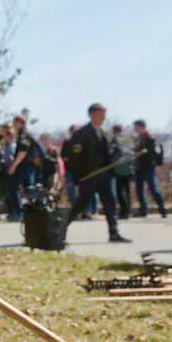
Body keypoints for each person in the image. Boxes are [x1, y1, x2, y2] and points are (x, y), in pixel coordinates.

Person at [62, 103, 130, 242]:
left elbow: (108, 153)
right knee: (81, 203)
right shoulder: (82, 134)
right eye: (101, 115)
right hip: (89, 176)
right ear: (92, 114)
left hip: (104, 175)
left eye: (104, 115)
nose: (104, 118)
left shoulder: (103, 133)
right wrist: (77, 175)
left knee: (110, 203)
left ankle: (114, 233)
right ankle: (60, 228)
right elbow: (72, 157)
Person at [132, 119, 167, 218]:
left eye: (136, 127)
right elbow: (137, 150)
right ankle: (143, 211)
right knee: (139, 190)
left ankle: (162, 210)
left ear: (141, 126)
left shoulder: (150, 137)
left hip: (148, 167)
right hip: (139, 167)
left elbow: (152, 152)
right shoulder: (138, 138)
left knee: (153, 188)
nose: (135, 129)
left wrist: (142, 153)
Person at [5, 115, 37, 220]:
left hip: (25, 165)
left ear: (22, 123)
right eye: (14, 122)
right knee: (28, 189)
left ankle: (18, 212)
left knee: (12, 186)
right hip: (27, 165)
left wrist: (13, 166)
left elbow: (22, 153)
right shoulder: (22, 134)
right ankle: (28, 212)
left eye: (17, 122)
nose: (14, 124)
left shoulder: (24, 135)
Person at [109, 124, 134, 219]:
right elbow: (132, 153)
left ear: (114, 131)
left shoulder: (115, 140)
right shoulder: (128, 139)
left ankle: (123, 212)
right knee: (127, 191)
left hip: (119, 168)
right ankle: (128, 211)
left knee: (119, 191)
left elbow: (111, 153)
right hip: (129, 168)